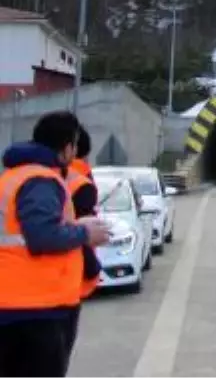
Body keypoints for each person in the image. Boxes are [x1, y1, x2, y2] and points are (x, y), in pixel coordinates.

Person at [0, 111, 110, 378]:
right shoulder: (40, 180)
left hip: (16, 304)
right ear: (67, 146)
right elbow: (42, 236)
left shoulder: (14, 176)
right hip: (36, 309)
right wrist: (85, 235)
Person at [63, 126, 103, 368]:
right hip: (62, 287)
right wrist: (92, 268)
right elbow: (80, 235)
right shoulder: (80, 184)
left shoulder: (11, 178)